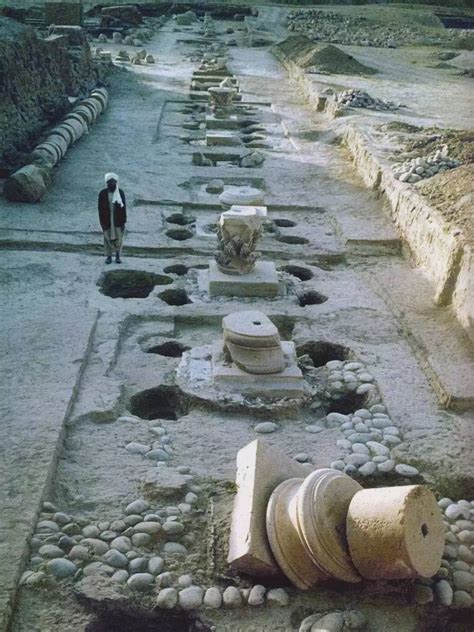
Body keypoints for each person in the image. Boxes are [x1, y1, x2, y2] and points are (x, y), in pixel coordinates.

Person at [98, 173, 126, 264]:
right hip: (107, 220)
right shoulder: (102, 193)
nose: (112, 184)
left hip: (117, 220)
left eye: (114, 182)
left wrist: (123, 222)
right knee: (107, 238)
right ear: (107, 183)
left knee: (119, 238)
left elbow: (123, 207)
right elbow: (100, 209)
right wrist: (102, 223)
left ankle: (118, 256)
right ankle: (109, 256)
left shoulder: (120, 193)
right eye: (110, 182)